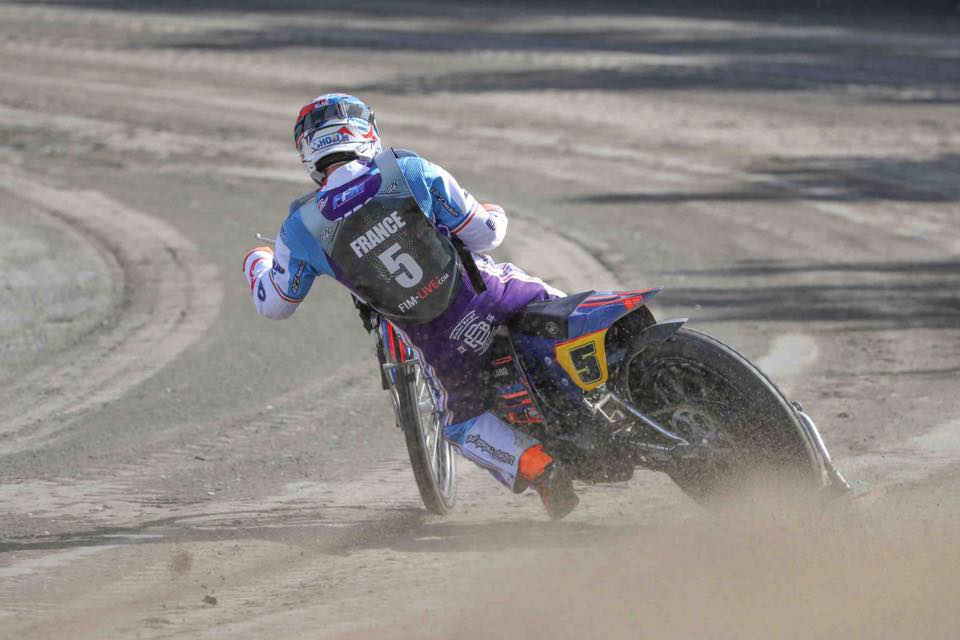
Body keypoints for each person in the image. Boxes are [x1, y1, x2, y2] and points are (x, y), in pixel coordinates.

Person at [242, 93, 578, 519]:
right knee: (565, 313)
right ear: (366, 132)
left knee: (461, 423)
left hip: (438, 339)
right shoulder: (408, 168)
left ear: (308, 152)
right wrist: (496, 213)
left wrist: (256, 262)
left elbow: (275, 306)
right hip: (492, 295)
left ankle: (538, 467)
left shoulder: (299, 229)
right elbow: (486, 235)